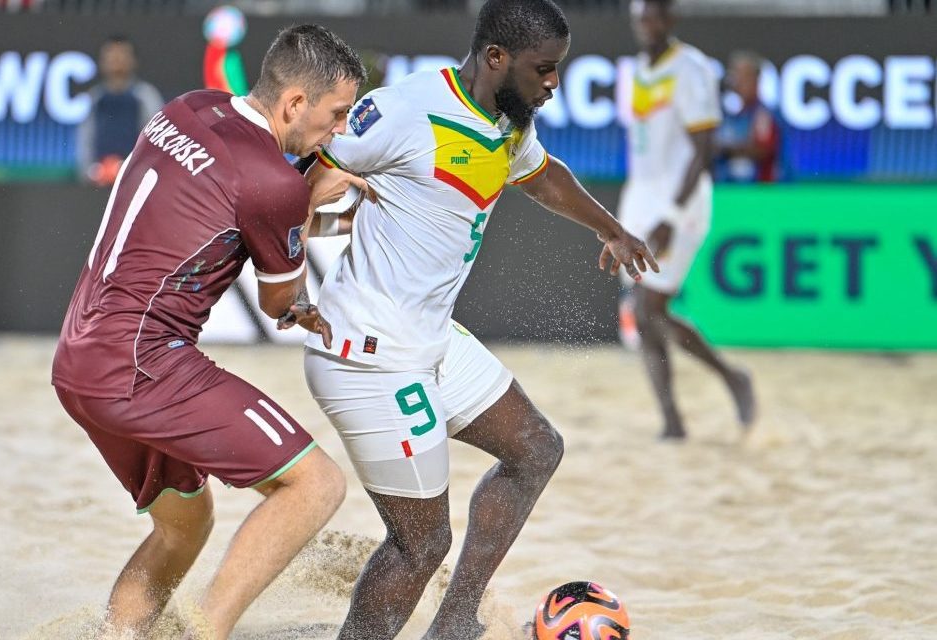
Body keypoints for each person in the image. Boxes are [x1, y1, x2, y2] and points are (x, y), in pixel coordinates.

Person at [298, 1, 656, 637]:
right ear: (496, 58)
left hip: (429, 340)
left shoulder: (508, 119)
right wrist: (287, 268)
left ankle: (457, 618)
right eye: (543, 70)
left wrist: (615, 229)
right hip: (367, 353)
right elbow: (308, 181)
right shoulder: (409, 109)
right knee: (421, 544)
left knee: (536, 449)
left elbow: (541, 177)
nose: (553, 83)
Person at [52, 25, 371, 640]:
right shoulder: (273, 187)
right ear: (295, 103)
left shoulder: (188, 106)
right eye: (335, 116)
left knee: (183, 526)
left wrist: (297, 199)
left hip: (78, 359)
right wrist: (306, 204)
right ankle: (207, 633)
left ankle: (115, 636)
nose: (338, 132)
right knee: (315, 485)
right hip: (141, 363)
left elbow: (229, 196)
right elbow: (281, 300)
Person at [619, 0, 756, 439]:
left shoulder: (692, 68)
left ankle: (732, 377)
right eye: (641, 16)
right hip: (641, 198)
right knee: (642, 316)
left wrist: (671, 216)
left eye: (655, 15)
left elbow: (703, 150)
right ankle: (672, 420)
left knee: (650, 306)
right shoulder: (638, 68)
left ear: (671, 18)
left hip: (680, 203)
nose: (647, 24)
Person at [77, 35, 164, 187]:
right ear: (102, 62)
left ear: (133, 61)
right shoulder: (94, 99)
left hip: (138, 185)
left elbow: (158, 146)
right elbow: (84, 145)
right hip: (98, 185)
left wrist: (126, 170)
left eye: (122, 55)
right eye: (111, 56)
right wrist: (95, 172)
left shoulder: (146, 96)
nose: (117, 60)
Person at [715, 50, 780, 183]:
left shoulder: (764, 115)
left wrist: (727, 150)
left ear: (756, 79)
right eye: (735, 76)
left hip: (761, 192)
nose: (737, 82)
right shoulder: (730, 117)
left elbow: (763, 150)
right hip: (731, 190)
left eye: (743, 77)